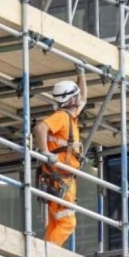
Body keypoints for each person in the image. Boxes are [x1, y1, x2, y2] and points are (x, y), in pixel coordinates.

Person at [34, 70, 88, 246]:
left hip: (61, 178)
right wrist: (45, 152)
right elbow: (40, 128)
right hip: (58, 178)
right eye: (76, 95)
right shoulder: (62, 117)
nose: (79, 97)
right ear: (71, 100)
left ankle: (44, 254)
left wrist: (81, 74)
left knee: (57, 221)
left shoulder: (70, 116)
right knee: (67, 222)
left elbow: (84, 99)